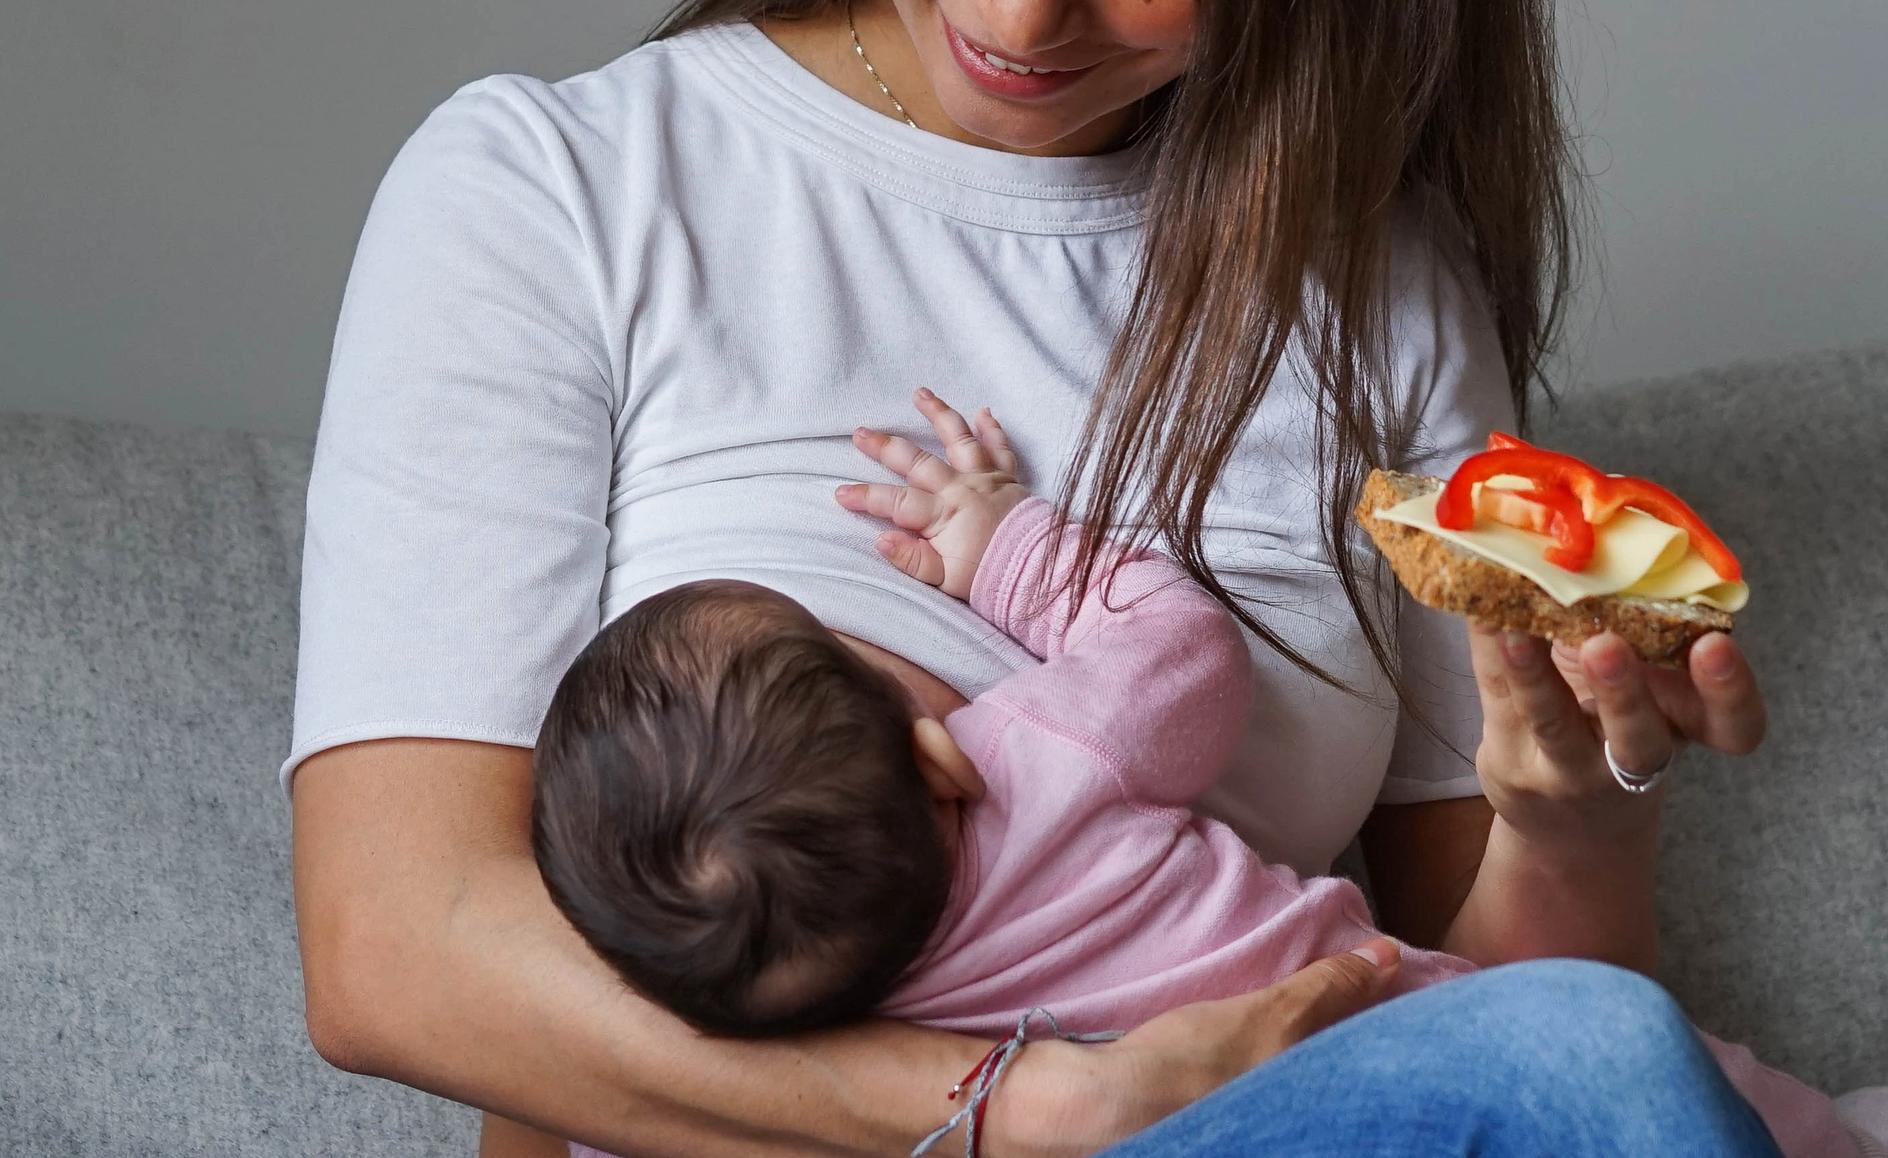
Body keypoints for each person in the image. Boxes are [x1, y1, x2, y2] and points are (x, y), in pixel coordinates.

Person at [288, 1, 1796, 1154]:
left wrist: (1576, 823)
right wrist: (1023, 1110)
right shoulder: (566, 187)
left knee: (1598, 1053)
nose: (1018, 21)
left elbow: (1495, 1049)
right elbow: (397, 957)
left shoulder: (1380, 287)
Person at [535, 393, 1888, 1158]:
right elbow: (1179, 649)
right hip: (1361, 1045)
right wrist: (1009, 549)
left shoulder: (781, 1003)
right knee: (1606, 1050)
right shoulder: (1034, 758)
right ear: (932, 755)